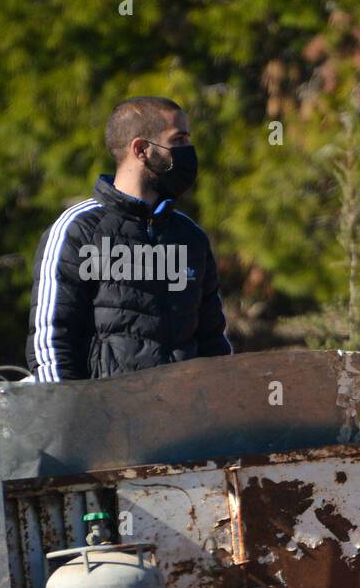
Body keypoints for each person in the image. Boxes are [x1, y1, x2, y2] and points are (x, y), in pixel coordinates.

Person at [25, 96, 231, 381]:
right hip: (104, 419)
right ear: (141, 149)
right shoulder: (78, 230)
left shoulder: (191, 237)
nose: (189, 151)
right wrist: (71, 421)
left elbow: (214, 343)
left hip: (186, 420)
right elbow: (52, 343)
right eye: (179, 140)